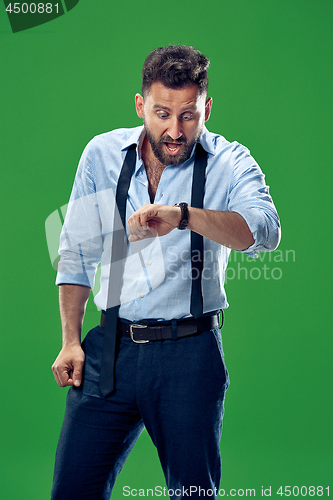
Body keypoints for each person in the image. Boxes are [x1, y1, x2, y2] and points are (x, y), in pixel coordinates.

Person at [51, 45, 280, 500]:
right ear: (141, 106)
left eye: (188, 115)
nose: (174, 130)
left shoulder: (230, 161)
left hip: (189, 355)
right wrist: (71, 340)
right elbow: (76, 252)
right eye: (162, 114)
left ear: (206, 108)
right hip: (108, 351)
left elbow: (264, 232)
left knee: (193, 495)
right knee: (73, 491)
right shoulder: (101, 155)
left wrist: (185, 216)